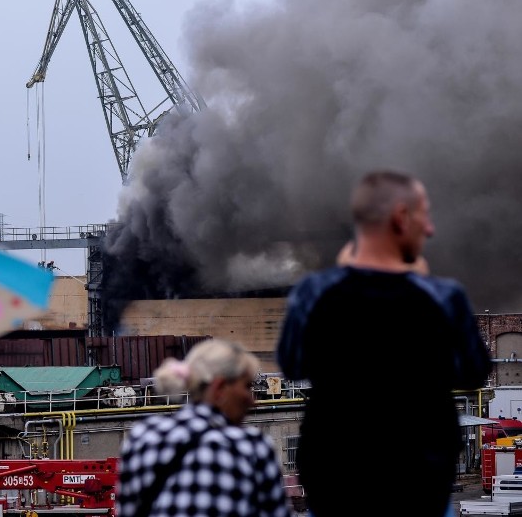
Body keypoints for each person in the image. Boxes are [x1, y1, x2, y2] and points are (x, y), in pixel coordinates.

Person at [277, 169, 492, 517]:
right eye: (424, 215)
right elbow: (473, 371)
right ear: (400, 219)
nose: (430, 228)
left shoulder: (312, 293)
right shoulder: (442, 296)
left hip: (336, 476)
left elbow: (293, 364)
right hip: (419, 479)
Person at [118, 339, 293, 517]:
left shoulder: (143, 437)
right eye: (247, 386)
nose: (252, 400)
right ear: (219, 388)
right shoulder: (252, 446)